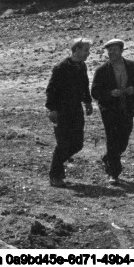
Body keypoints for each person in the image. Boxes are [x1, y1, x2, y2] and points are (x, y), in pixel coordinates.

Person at [91, 38, 134, 185]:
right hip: (109, 110)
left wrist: (133, 89)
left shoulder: (132, 66)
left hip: (127, 108)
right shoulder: (101, 70)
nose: (111, 53)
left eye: (114, 50)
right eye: (109, 51)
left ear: (121, 50)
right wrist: (110, 94)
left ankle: (109, 157)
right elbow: (95, 92)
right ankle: (113, 173)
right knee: (112, 139)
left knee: (124, 139)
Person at [45, 38, 93, 187]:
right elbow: (51, 90)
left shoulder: (81, 66)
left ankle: (57, 170)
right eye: (85, 50)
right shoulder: (61, 67)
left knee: (77, 143)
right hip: (62, 109)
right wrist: (52, 110)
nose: (88, 53)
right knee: (63, 143)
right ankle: (55, 175)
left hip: (76, 108)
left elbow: (85, 85)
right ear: (76, 50)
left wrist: (88, 101)